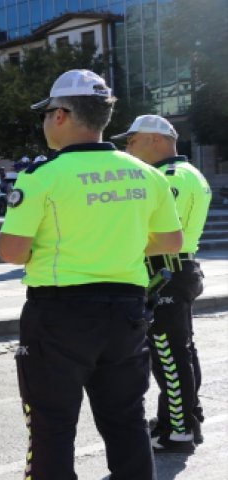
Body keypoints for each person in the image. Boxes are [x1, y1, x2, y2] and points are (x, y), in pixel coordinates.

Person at [0, 69, 183, 478]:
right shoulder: (149, 174)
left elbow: (12, 252)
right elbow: (172, 241)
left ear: (61, 115)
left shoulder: (41, 177)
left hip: (59, 315)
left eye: (46, 113)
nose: (45, 121)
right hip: (127, 311)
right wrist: (119, 244)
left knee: (52, 427)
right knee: (126, 422)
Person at [112, 114, 212, 453]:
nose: (127, 148)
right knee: (182, 351)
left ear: (155, 139)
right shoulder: (186, 174)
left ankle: (178, 430)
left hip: (164, 272)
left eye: (132, 140)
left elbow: (164, 234)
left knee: (168, 354)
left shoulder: (170, 178)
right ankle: (184, 418)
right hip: (177, 270)